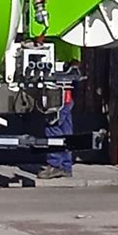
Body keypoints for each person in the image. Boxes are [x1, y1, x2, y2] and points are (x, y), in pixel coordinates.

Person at [37, 40, 81, 180]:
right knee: (65, 126)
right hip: (65, 81)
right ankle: (65, 166)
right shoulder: (72, 36)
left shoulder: (59, 36)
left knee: (53, 122)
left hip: (59, 82)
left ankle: (55, 164)